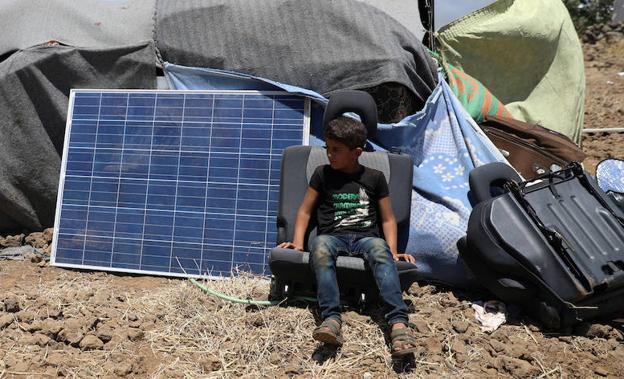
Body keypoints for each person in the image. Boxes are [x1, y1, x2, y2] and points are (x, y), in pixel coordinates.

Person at [278, 116, 418, 357]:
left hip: (366, 237)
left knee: (380, 250)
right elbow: (305, 211)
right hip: (333, 236)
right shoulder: (322, 174)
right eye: (327, 149)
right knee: (319, 246)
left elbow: (387, 219)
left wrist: (393, 251)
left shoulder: (375, 177)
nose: (330, 155)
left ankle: (397, 324)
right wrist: (299, 243)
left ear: (357, 152)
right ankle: (331, 319)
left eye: (336, 150)